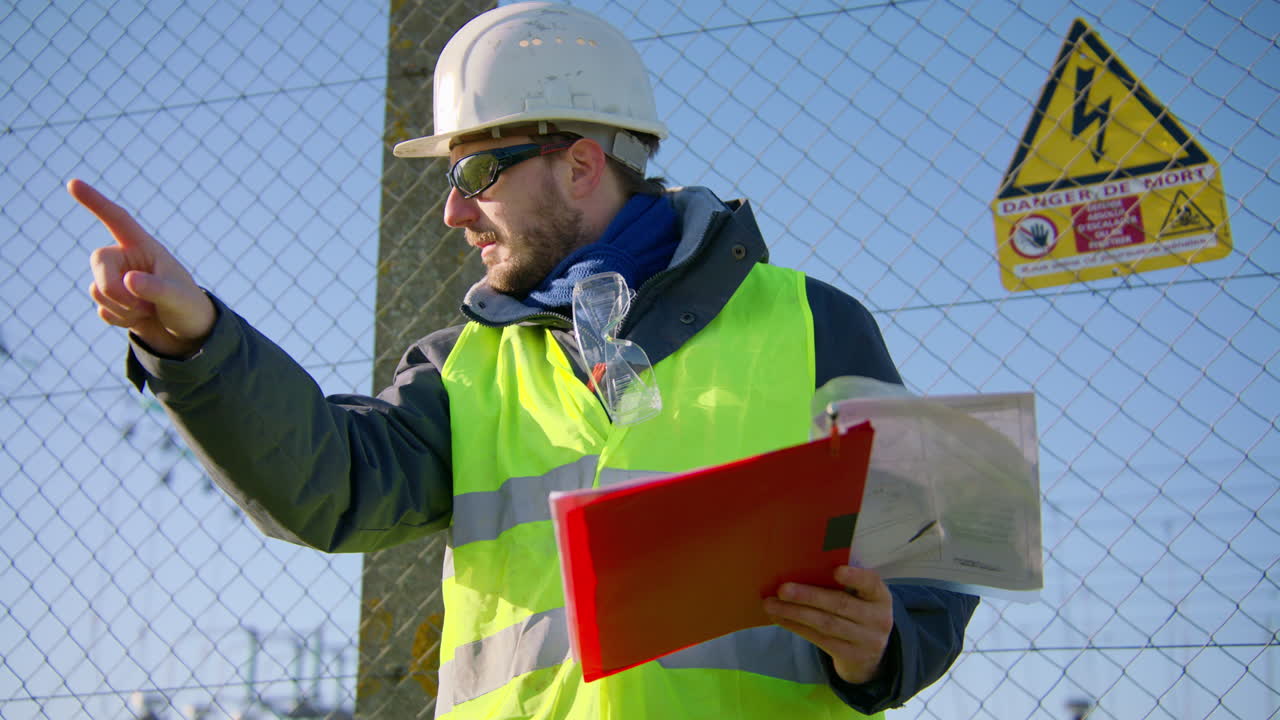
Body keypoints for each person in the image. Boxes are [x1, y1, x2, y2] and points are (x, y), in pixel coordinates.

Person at [72, 3, 977, 718]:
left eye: (474, 176)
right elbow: (329, 485)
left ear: (580, 165)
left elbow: (927, 558)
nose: (453, 215)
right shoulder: (463, 369)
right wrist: (191, 341)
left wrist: (884, 643)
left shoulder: (815, 325)